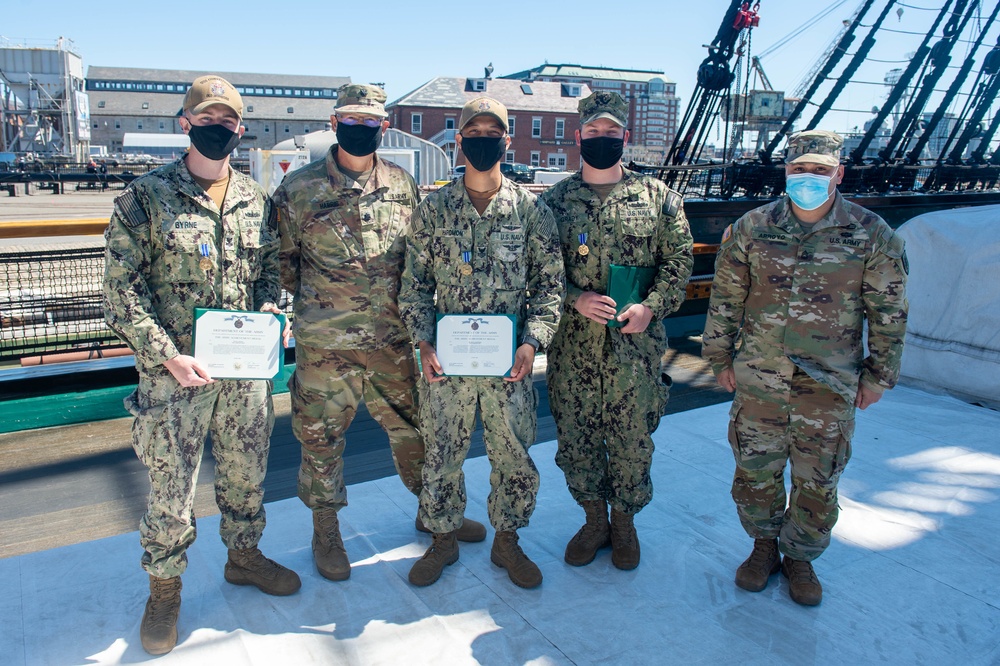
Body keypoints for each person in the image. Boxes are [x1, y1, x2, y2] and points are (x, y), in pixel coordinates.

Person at [103, 75, 300, 656]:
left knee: (246, 474)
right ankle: (165, 587)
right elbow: (120, 294)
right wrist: (166, 354)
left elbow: (270, 274)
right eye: (206, 118)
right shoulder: (144, 199)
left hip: (243, 375)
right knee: (171, 487)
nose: (218, 128)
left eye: (228, 120)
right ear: (184, 123)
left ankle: (243, 556)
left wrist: (273, 311)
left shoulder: (255, 200)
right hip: (175, 377)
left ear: (240, 129)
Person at [272, 84, 486, 583]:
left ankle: (431, 512)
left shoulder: (403, 185)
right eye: (352, 119)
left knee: (415, 431)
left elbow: (417, 261)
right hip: (327, 346)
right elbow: (282, 264)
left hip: (392, 341)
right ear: (333, 121)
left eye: (371, 121)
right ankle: (326, 531)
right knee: (321, 438)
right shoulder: (299, 190)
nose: (361, 128)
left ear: (384, 126)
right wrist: (326, 307)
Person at [702, 129, 908, 606]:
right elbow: (726, 298)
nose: (808, 178)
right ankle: (763, 548)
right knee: (755, 469)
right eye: (799, 169)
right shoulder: (752, 228)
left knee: (819, 476)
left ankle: (801, 558)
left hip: (829, 383)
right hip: (760, 376)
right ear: (786, 173)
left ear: (839, 173)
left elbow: (889, 311)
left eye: (820, 170)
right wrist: (718, 358)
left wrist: (879, 376)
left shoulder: (871, 233)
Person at [399, 96, 565, 589]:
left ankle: (507, 540)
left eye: (493, 131)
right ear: (460, 140)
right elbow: (414, 286)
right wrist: (423, 344)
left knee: (513, 454)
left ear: (506, 141)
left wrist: (533, 343)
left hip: (508, 365)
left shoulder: (531, 210)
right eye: (475, 131)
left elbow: (550, 286)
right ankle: (443, 539)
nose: (483, 139)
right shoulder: (433, 210)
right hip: (445, 366)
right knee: (442, 453)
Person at [540, 91, 694, 570]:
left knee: (632, 439)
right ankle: (593, 520)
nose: (602, 139)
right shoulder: (553, 202)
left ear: (625, 137)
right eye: (593, 132)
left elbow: (679, 262)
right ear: (578, 137)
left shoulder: (660, 199)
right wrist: (574, 299)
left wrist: (652, 307)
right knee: (578, 437)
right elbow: (539, 269)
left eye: (611, 133)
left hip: (635, 350)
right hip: (574, 350)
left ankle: (624, 524)